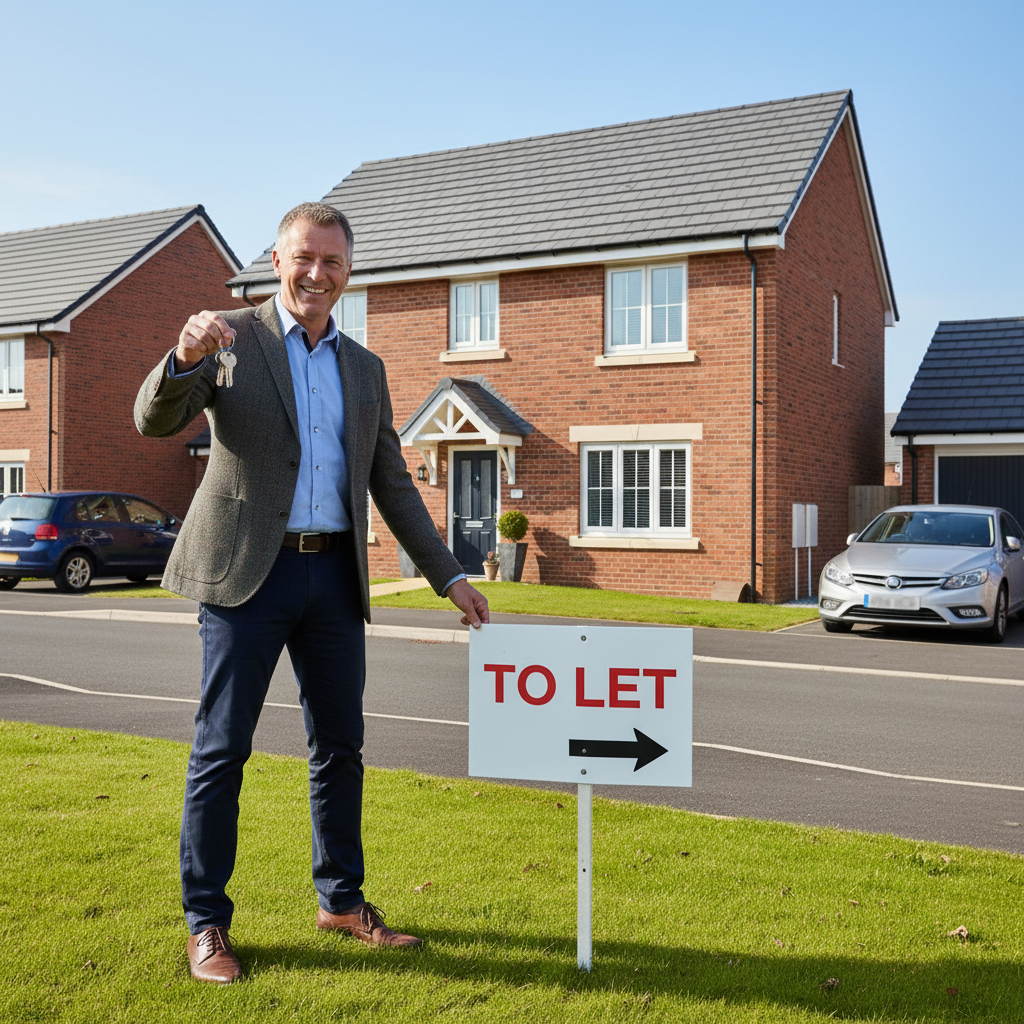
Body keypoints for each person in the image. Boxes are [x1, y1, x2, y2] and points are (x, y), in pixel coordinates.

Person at [135, 202, 488, 984]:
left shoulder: (366, 369)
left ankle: (340, 899)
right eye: (303, 258)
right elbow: (154, 420)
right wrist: (183, 356)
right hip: (244, 577)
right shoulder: (229, 336)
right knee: (221, 749)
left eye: (331, 262)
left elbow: (392, 484)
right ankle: (207, 925)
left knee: (340, 747)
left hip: (333, 576)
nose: (316, 274)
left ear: (349, 271)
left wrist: (451, 575)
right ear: (276, 259)